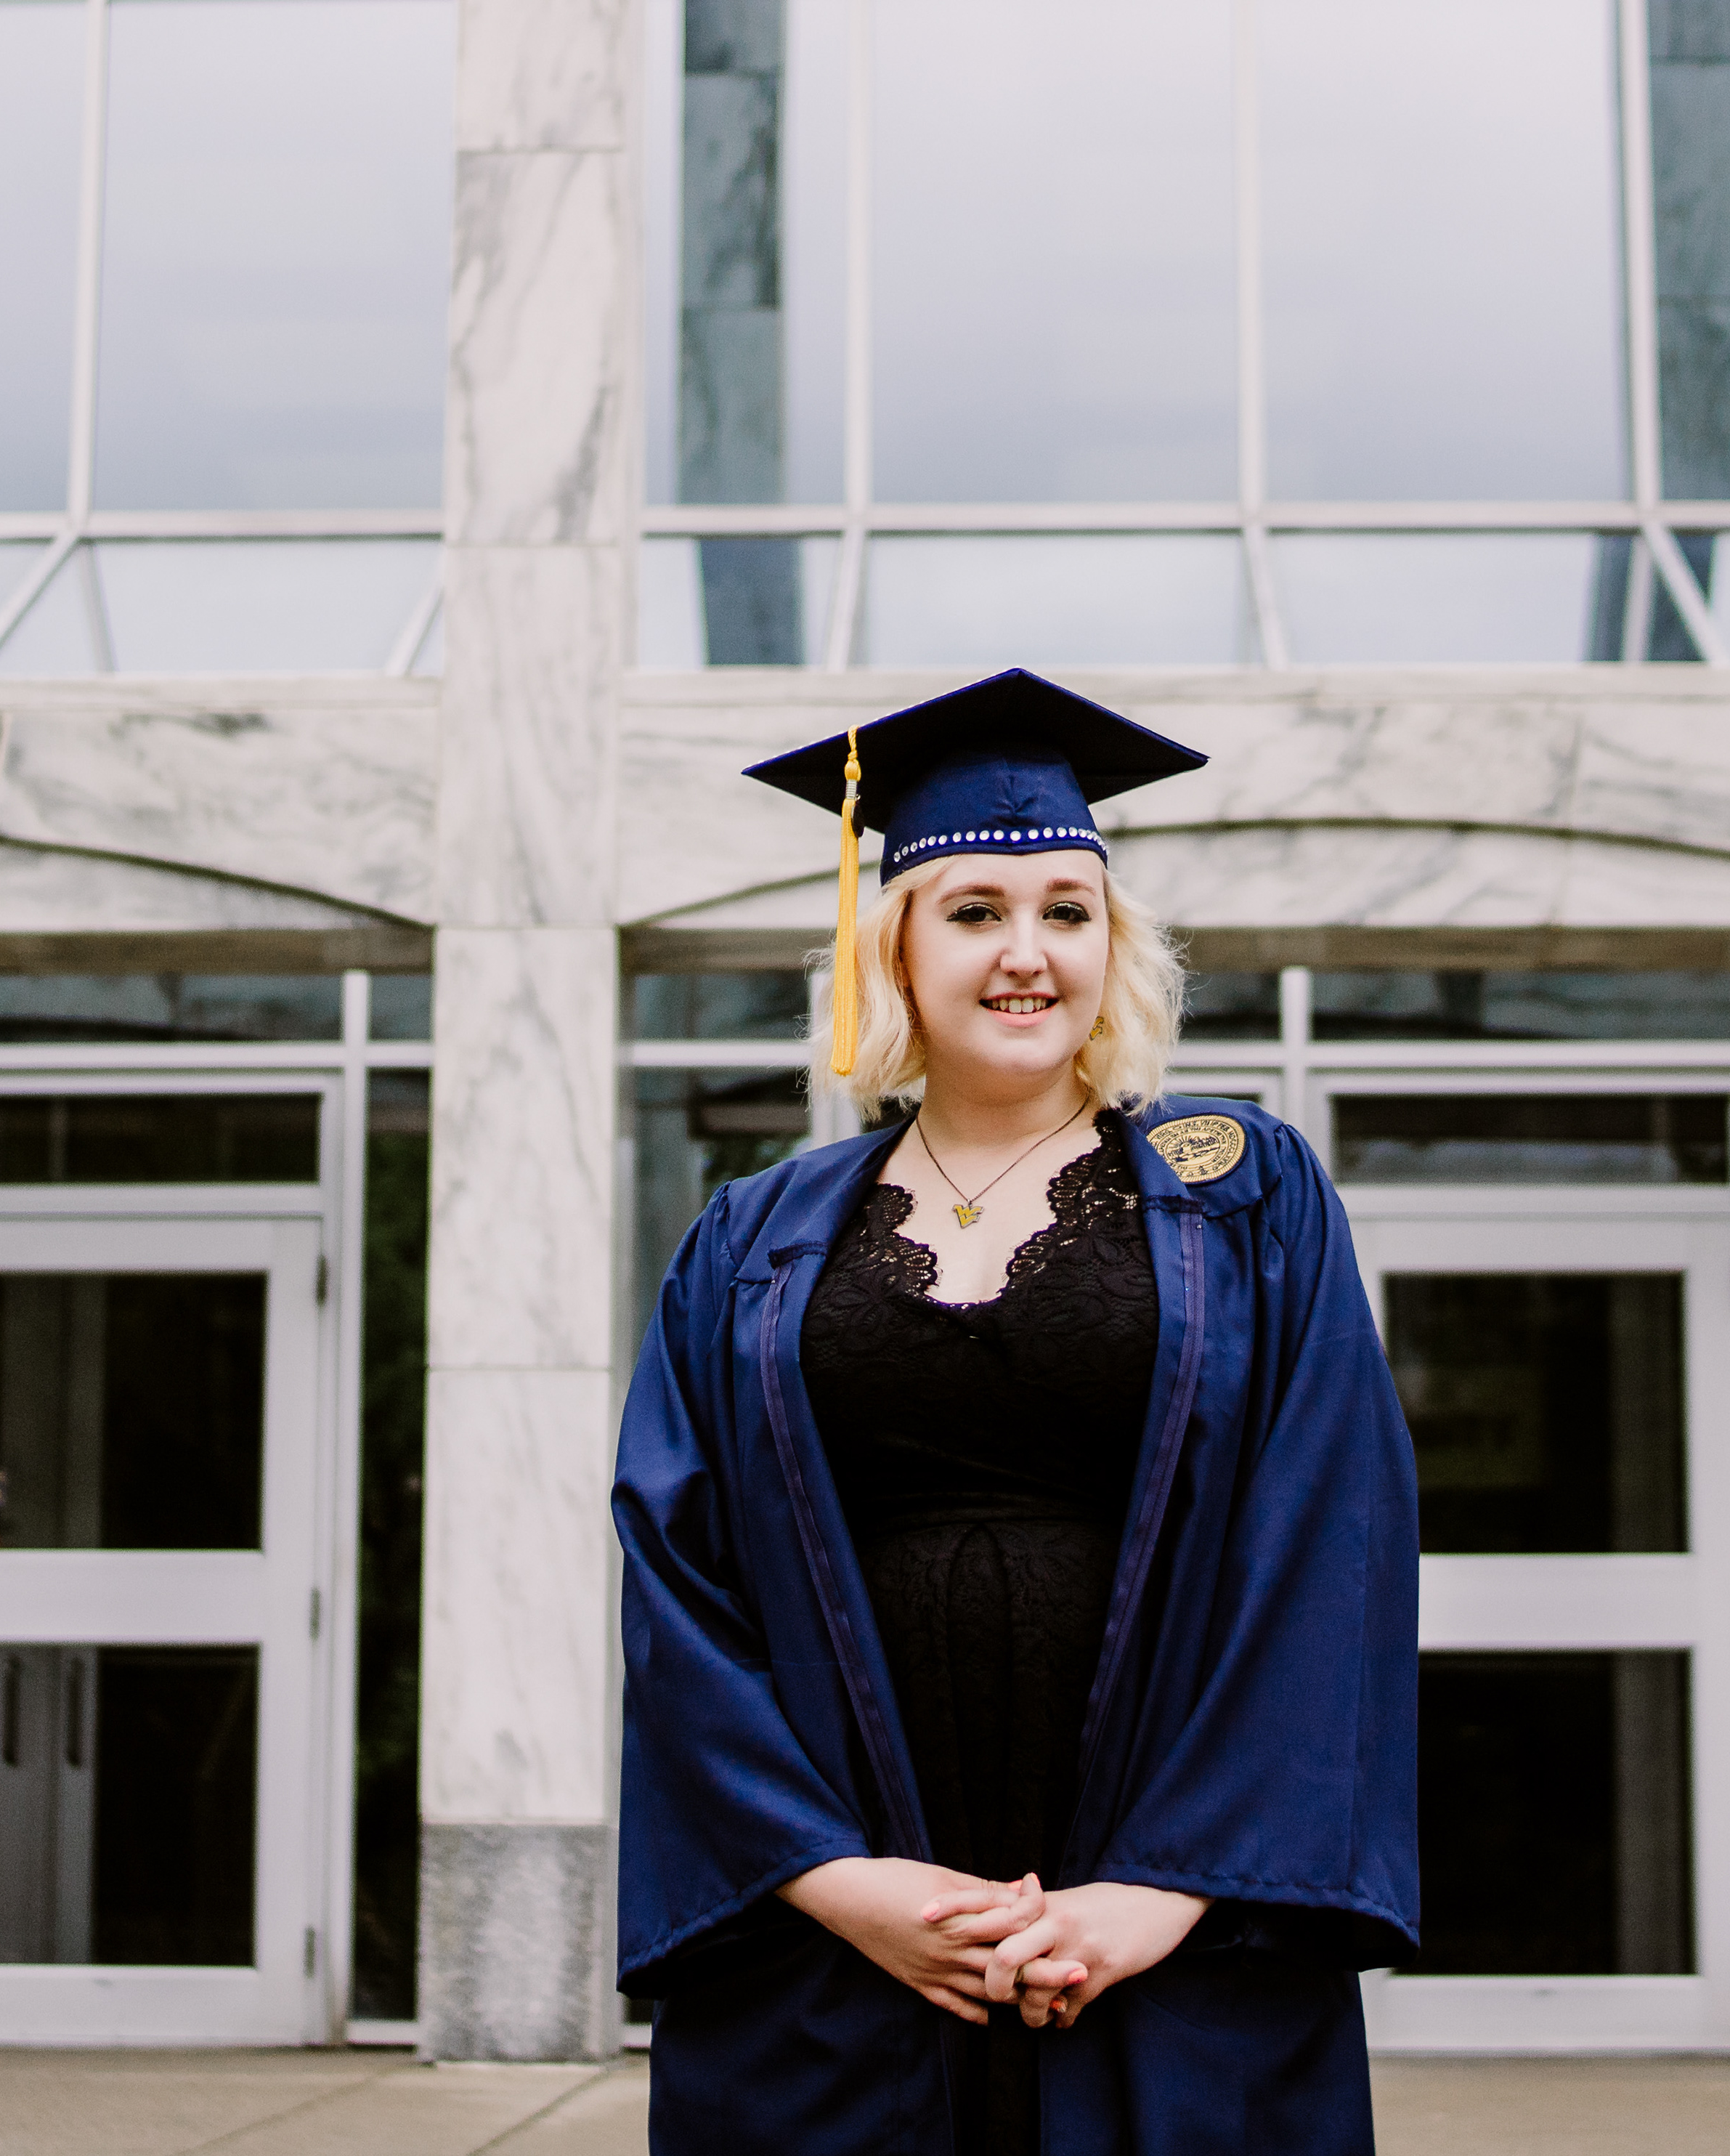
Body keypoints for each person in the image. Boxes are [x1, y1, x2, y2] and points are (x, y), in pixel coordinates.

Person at [613, 668, 1419, 2155]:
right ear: (895, 951)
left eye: (1068, 910)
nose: (1027, 952)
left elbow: (1331, 1534)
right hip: (845, 1915)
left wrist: (1164, 1889)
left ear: (1117, 947)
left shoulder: (1241, 1190)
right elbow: (679, 1574)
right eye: (975, 911)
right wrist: (838, 1881)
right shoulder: (754, 1234)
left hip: (1165, 1905)